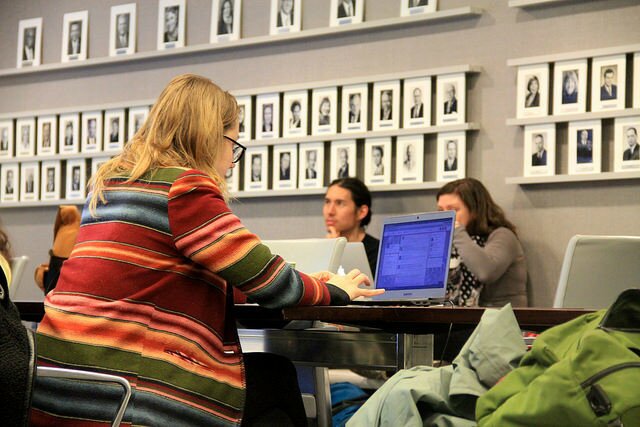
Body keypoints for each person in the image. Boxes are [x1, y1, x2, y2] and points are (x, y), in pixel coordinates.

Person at [31, 74, 380, 426]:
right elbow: (268, 280)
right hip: (130, 393)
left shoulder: (108, 188)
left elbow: (173, 276)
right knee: (275, 378)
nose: (231, 160)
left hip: (59, 385)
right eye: (233, 144)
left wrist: (301, 279)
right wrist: (336, 290)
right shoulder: (184, 186)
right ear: (210, 137)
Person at [436, 178, 527, 307]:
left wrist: (457, 231)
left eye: (453, 210)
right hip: (455, 319)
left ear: (474, 210)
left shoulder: (503, 236)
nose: (445, 216)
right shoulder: (447, 242)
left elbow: (485, 271)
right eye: (441, 210)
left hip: (497, 321)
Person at [324, 177, 379, 276]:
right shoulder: (323, 249)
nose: (330, 211)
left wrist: (338, 253)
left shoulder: (379, 253)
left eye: (340, 203)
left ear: (361, 212)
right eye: (327, 202)